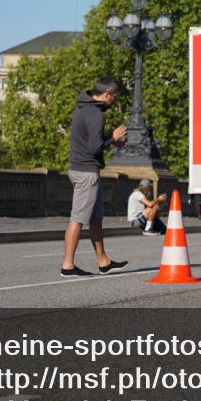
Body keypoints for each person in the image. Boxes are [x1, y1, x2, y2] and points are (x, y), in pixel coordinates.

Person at [60, 76, 129, 277]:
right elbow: (95, 148)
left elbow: (93, 142)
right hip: (86, 173)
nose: (114, 101)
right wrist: (113, 138)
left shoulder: (84, 109)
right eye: (114, 97)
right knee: (78, 219)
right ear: (107, 94)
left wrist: (110, 141)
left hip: (83, 170)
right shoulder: (96, 115)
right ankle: (68, 265)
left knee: (96, 219)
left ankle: (103, 262)